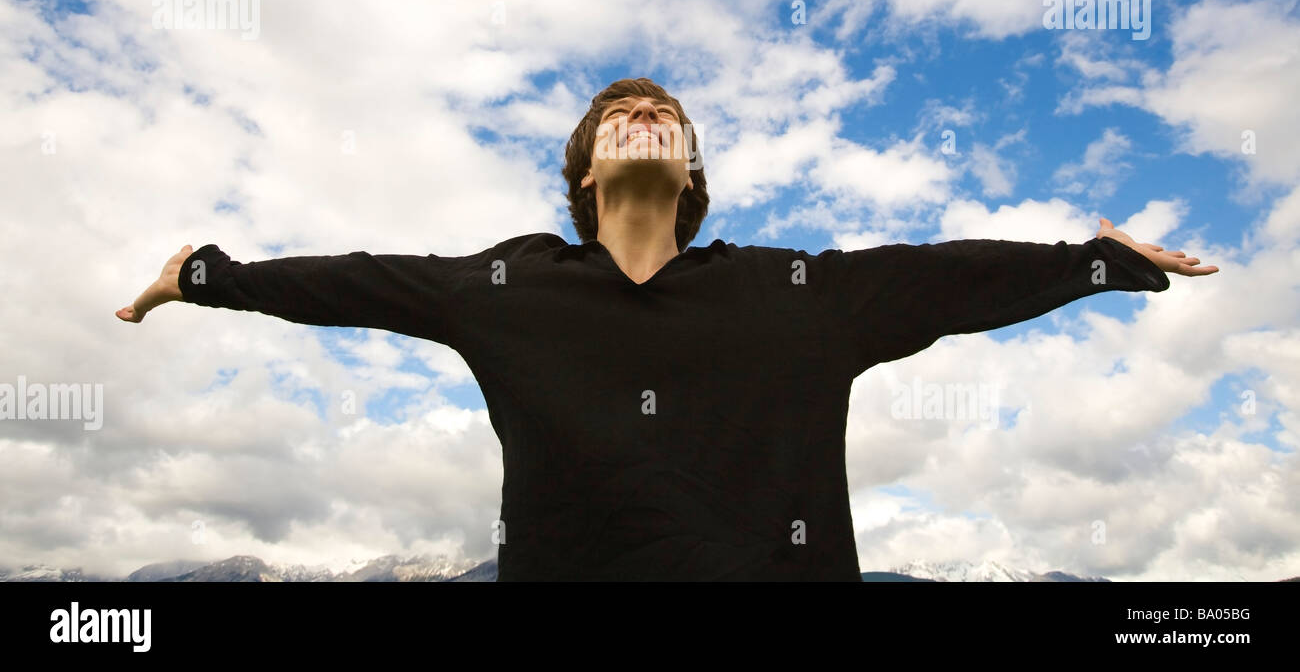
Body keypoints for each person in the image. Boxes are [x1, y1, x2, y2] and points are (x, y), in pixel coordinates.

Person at [116, 77, 1219, 580]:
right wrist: (207, 276)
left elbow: (945, 277)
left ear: (688, 171)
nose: (645, 117)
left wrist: (1098, 261)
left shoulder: (794, 292)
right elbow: (356, 282)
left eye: (666, 117)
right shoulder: (507, 286)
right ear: (587, 168)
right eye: (618, 115)